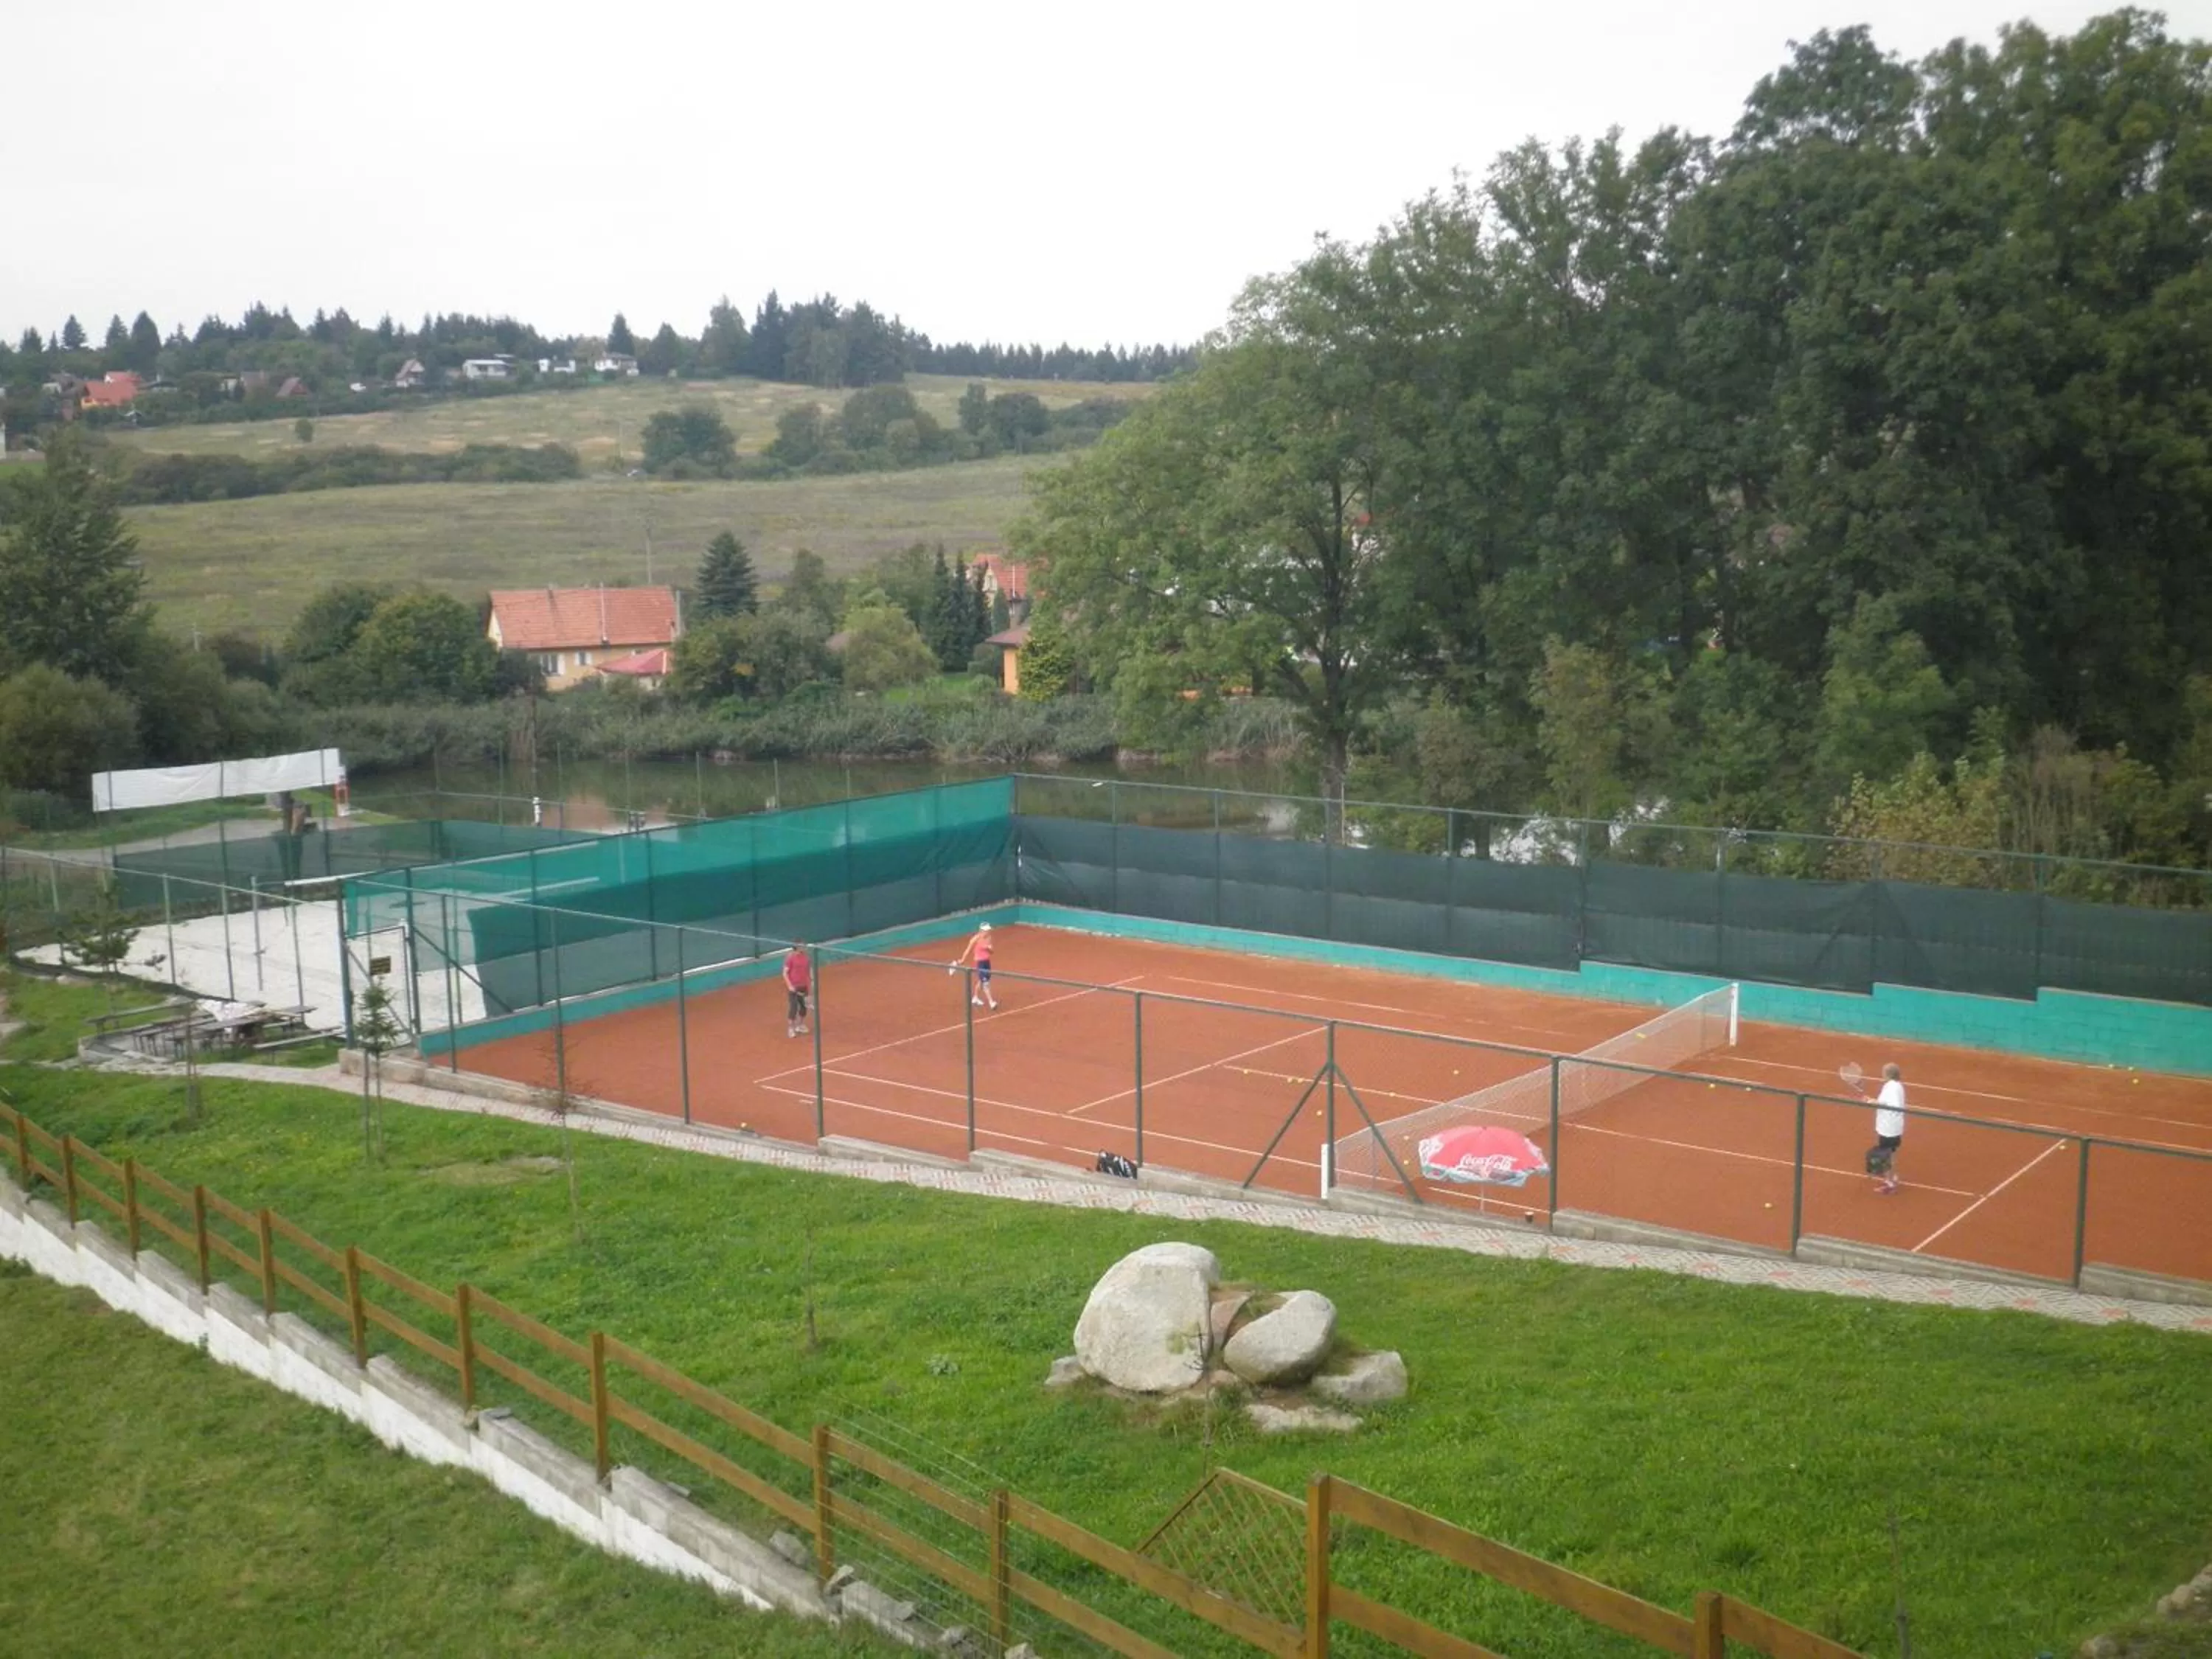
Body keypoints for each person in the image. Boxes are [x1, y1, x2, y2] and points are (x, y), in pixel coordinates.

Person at [1856, 1062, 1907, 1194]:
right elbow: (1886, 1102)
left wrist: (1873, 1103)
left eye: (1884, 1072)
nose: (1882, 1074)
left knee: (1886, 1154)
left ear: (1888, 1074)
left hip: (1888, 1128)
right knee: (1892, 1152)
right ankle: (1893, 1177)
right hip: (1894, 1126)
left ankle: (1890, 1183)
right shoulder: (1897, 1086)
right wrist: (1872, 1100)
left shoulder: (1892, 1088)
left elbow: (1893, 1106)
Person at [952, 922, 997, 1010]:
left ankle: (975, 998)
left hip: (987, 962)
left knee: (982, 980)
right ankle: (991, 1002)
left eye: (988, 930)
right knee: (985, 983)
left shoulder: (989, 938)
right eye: (986, 930)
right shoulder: (975, 939)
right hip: (980, 963)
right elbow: (968, 950)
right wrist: (962, 960)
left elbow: (992, 952)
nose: (988, 932)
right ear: (981, 931)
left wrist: (988, 949)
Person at [782, 940, 812, 1037]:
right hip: (793, 987)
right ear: (797, 947)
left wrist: (809, 986)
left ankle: (800, 1025)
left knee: (803, 1007)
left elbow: (808, 972)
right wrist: (790, 986)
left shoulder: (806, 958)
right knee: (793, 1008)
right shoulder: (790, 958)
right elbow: (785, 973)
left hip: (804, 986)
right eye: (802, 946)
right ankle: (791, 1028)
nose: (804, 947)